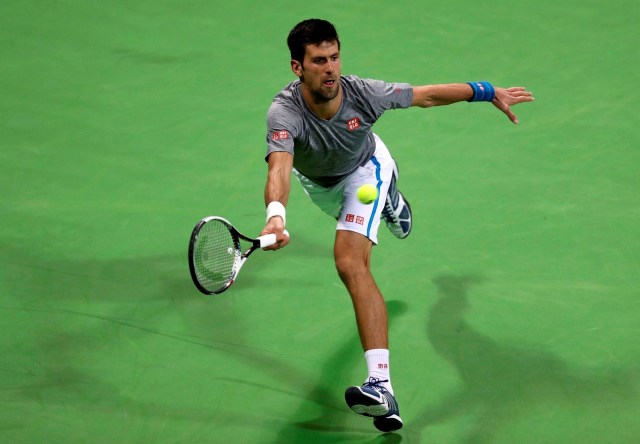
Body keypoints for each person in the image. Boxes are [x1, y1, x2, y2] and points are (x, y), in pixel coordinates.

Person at [259, 18, 534, 432]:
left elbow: (424, 96)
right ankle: (391, 202)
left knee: (350, 263)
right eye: (319, 61)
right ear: (298, 67)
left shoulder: (363, 93)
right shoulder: (283, 111)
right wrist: (275, 215)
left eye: (334, 57)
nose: (330, 68)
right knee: (352, 241)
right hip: (321, 187)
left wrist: (486, 91)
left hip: (365, 170)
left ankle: (381, 385)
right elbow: (279, 167)